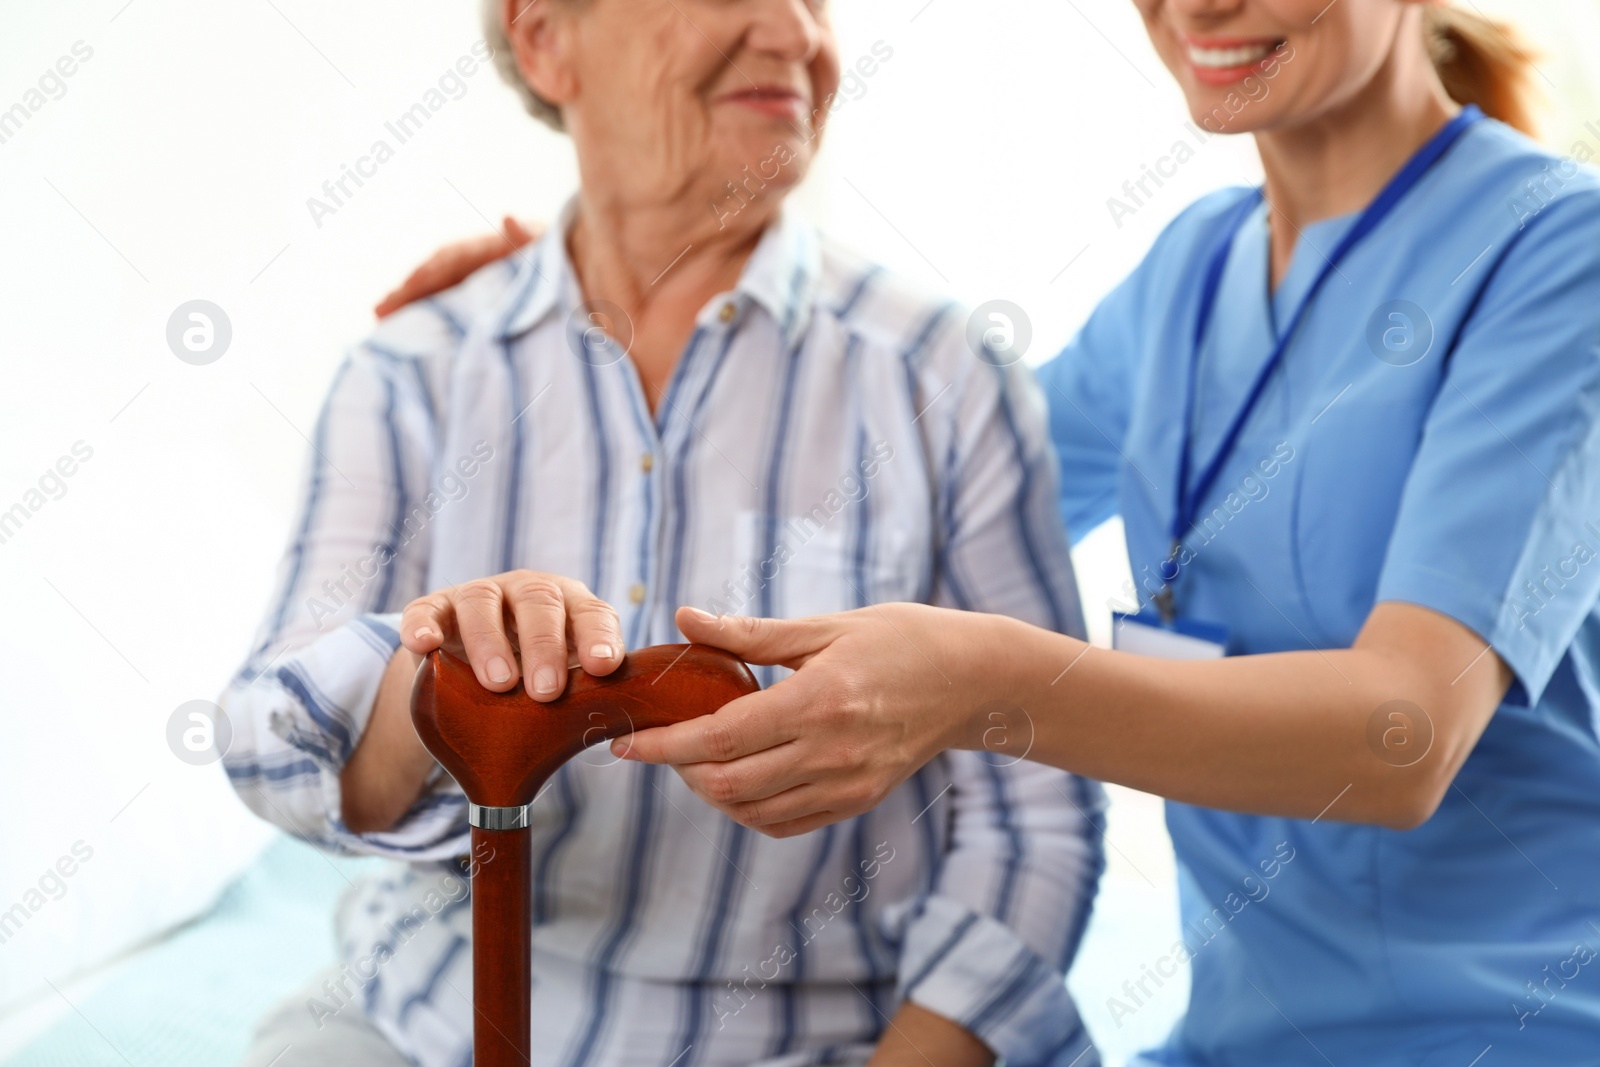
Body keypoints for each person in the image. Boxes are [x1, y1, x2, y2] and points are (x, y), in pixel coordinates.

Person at [387, 1, 1600, 1064]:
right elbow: (889, 476)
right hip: (1229, 1042)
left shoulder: (1559, 255)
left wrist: (988, 689)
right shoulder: (1191, 272)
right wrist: (619, 297)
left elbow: (1403, 734)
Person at [221, 1, 1104, 1065]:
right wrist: (437, 688)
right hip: (425, 1020)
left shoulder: (945, 376)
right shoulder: (411, 371)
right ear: (546, 38)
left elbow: (1039, 812)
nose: (793, 33)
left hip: (827, 1037)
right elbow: (275, 743)